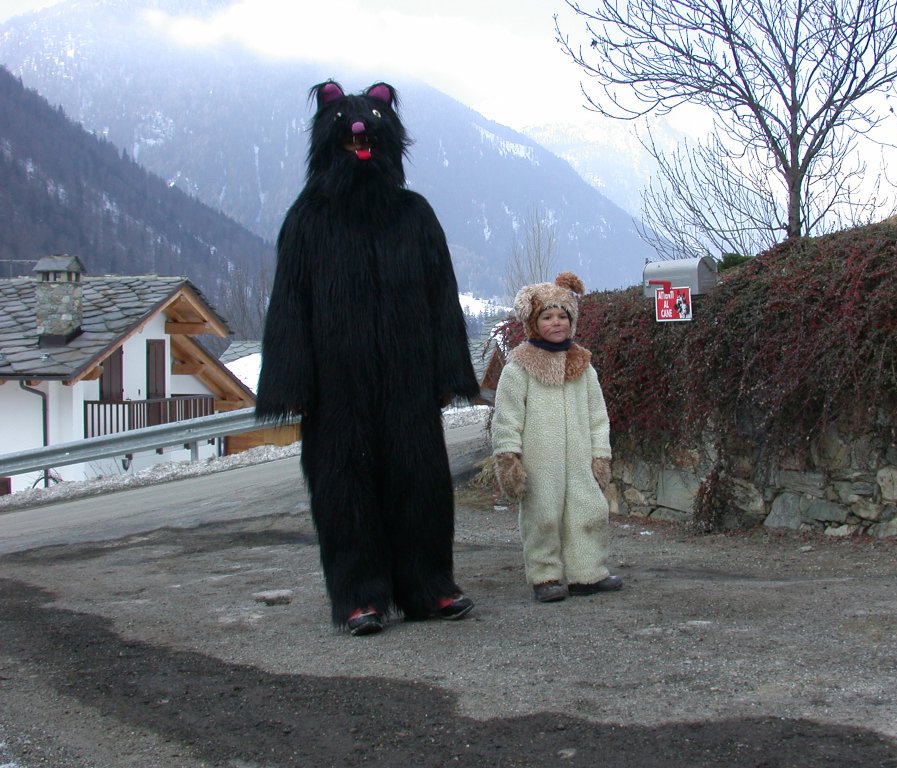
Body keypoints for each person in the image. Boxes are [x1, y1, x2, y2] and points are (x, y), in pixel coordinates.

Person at [257, 81, 479, 636]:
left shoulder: (415, 215)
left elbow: (441, 299)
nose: (360, 140)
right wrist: (292, 386)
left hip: (408, 384)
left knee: (420, 484)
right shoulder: (307, 220)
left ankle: (428, 587)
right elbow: (288, 308)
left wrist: (449, 373)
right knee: (344, 492)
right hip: (337, 390)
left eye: (372, 133)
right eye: (350, 133)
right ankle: (360, 597)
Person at [491, 272, 623, 603]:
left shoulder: (583, 365)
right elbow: (507, 417)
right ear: (533, 323)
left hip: (579, 459)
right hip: (539, 461)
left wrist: (600, 453)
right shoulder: (518, 367)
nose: (557, 323)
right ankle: (545, 575)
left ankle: (587, 573)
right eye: (547, 317)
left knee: (589, 511)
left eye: (563, 316)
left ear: (572, 320)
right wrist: (509, 457)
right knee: (542, 516)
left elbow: (597, 415)